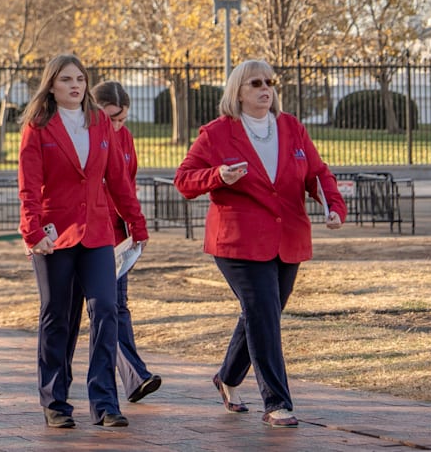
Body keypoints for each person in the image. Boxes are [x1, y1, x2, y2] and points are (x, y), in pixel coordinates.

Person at [174, 59, 345, 428]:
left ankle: (228, 377)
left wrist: (333, 206)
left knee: (263, 313)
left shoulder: (292, 128)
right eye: (256, 83)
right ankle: (277, 402)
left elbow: (317, 173)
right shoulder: (217, 133)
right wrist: (217, 175)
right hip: (237, 242)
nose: (265, 89)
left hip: (288, 238)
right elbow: (184, 180)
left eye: (270, 82)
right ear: (238, 91)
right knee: (264, 312)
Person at [18, 55, 148, 429]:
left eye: (80, 79)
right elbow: (28, 187)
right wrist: (32, 232)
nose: (75, 85)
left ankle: (105, 402)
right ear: (52, 85)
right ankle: (55, 401)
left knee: (106, 308)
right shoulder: (38, 127)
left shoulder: (100, 124)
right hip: (52, 237)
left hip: (96, 233)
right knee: (58, 316)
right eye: (66, 79)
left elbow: (119, 180)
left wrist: (137, 224)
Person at [82, 80, 161, 403]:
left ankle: (133, 377)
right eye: (111, 117)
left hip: (117, 234)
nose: (116, 125)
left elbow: (126, 183)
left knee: (117, 305)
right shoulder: (83, 133)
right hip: (86, 231)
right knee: (103, 307)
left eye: (121, 119)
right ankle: (133, 375)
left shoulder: (124, 138)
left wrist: (135, 226)